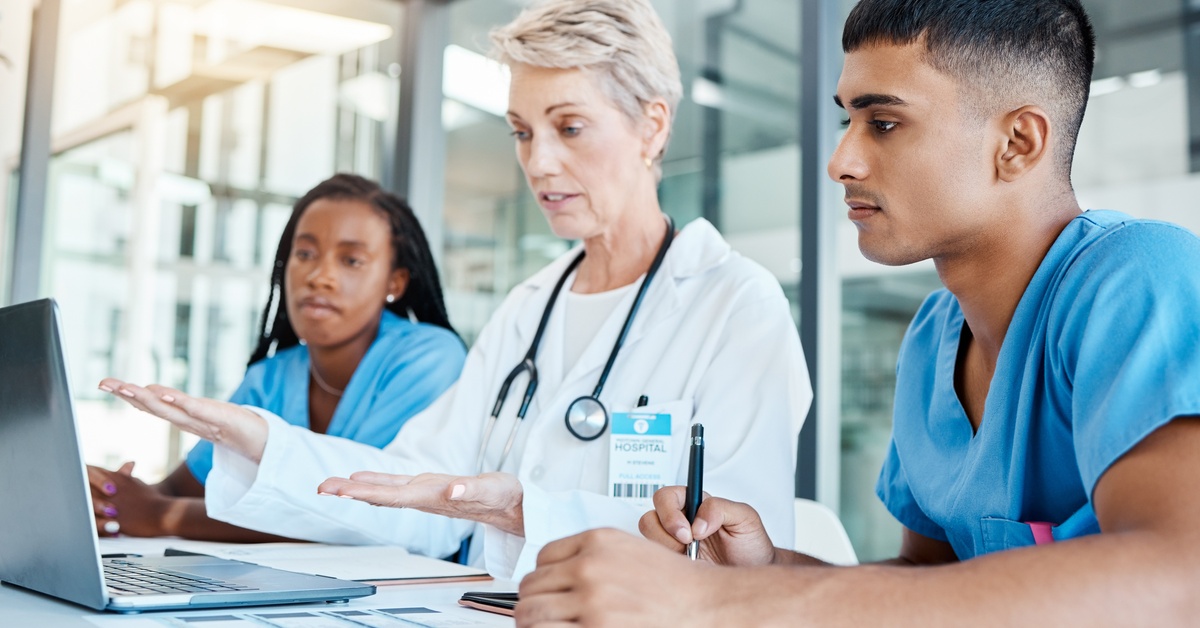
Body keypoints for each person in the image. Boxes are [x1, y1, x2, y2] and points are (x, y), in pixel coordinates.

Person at [515, 0, 1200, 624]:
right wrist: (762, 573)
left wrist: (719, 603)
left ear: (1016, 143)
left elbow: (1179, 578)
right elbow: (928, 581)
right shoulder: (935, 337)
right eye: (848, 120)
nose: (842, 160)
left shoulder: (1140, 276)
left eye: (884, 123)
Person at [95, 0, 812, 579]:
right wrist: (265, 441)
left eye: (569, 127)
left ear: (652, 126)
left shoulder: (734, 306)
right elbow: (416, 486)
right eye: (522, 132)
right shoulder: (532, 307)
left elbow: (737, 550)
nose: (539, 161)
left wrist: (522, 510)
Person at [94, 173, 466, 542]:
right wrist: (109, 495)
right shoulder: (273, 376)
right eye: (304, 254)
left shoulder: (428, 356)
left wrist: (165, 517)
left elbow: (352, 513)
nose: (320, 276)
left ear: (395, 282)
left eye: (351, 260)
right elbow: (179, 488)